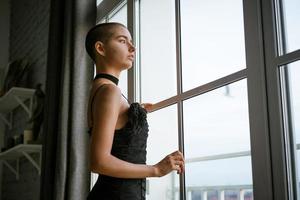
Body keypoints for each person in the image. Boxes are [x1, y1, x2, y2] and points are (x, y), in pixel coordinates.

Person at [85, 22, 185, 200]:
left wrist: (134, 111)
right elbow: (98, 161)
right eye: (123, 41)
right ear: (100, 48)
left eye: (131, 41)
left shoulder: (100, 89)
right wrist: (157, 169)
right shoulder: (110, 91)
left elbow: (117, 132)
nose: (132, 47)